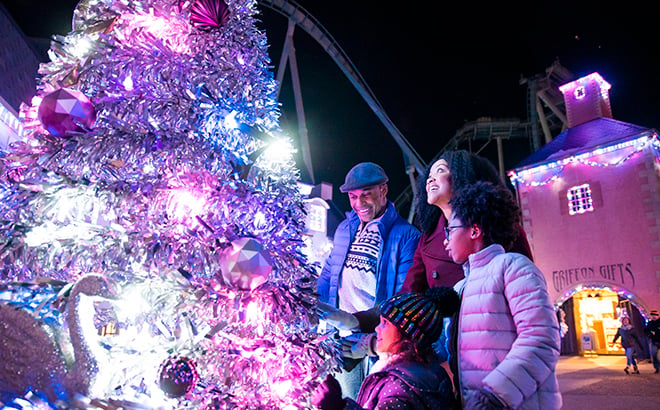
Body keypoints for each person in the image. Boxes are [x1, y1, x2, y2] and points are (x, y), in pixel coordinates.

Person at [445, 181, 562, 409]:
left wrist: (495, 396)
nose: (445, 240)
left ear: (474, 230)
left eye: (450, 230)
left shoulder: (513, 267)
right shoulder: (461, 287)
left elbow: (541, 339)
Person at [317, 162, 421, 400]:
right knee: (344, 401)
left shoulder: (406, 235)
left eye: (366, 195)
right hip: (341, 339)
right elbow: (328, 276)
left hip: (378, 340)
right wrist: (308, 305)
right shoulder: (344, 229)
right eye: (353, 197)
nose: (359, 203)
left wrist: (370, 336)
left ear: (383, 190)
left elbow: (401, 297)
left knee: (374, 401)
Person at [312, 287, 460, 410]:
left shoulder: (399, 387)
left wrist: (337, 405)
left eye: (385, 323)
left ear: (406, 333)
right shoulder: (429, 371)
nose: (377, 329)